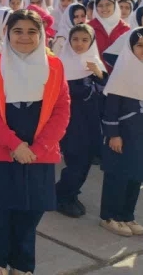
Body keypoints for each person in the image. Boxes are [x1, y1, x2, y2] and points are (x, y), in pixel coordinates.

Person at [0, 9, 70, 275]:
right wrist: (15, 145)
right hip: (2, 150)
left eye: (32, 32)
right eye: (18, 31)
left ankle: (21, 264)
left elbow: (62, 110)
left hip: (40, 152)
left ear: (41, 35)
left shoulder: (54, 67)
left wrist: (38, 149)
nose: (25, 37)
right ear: (7, 34)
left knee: (30, 211)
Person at [99, 27, 143, 237]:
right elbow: (111, 108)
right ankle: (109, 217)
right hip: (124, 135)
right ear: (130, 47)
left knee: (136, 176)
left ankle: (127, 215)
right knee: (118, 176)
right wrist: (113, 134)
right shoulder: (123, 72)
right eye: (139, 45)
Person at [54, 24, 107, 218]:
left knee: (85, 162)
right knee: (76, 162)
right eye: (75, 39)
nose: (79, 44)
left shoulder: (95, 63)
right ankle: (61, 195)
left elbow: (107, 92)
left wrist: (98, 74)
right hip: (71, 123)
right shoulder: (61, 65)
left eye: (85, 40)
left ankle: (70, 193)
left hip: (91, 122)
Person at [89, 0, 130, 72]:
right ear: (96, 8)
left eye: (108, 4)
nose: (104, 8)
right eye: (100, 5)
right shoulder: (89, 28)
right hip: (95, 74)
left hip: (119, 74)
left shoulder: (126, 28)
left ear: (115, 5)